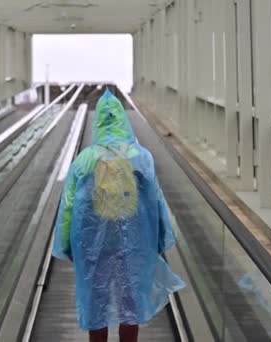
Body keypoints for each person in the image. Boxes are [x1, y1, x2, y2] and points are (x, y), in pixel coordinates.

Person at [52, 89, 185, 342]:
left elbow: (70, 205)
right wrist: (160, 238)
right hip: (132, 241)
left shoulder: (85, 160)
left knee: (96, 300)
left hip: (94, 245)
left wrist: (67, 243)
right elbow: (155, 200)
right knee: (130, 302)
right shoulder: (141, 158)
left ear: (98, 122)